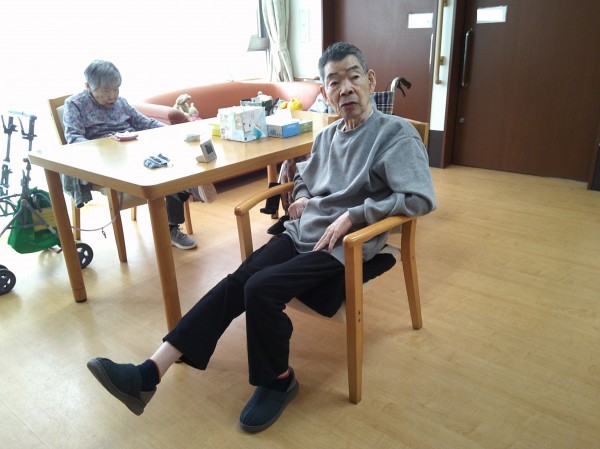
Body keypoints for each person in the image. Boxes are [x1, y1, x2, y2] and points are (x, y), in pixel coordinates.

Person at [87, 43, 437, 432]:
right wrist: (301, 196)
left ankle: (278, 381)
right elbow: (306, 178)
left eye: (353, 77)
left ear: (370, 80)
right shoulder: (327, 137)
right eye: (334, 82)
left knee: (260, 289)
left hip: (343, 245)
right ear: (325, 91)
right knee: (237, 281)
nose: (346, 89)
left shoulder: (395, 134)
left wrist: (355, 215)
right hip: (302, 231)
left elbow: (420, 198)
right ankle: (150, 372)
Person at [62, 59, 217, 250]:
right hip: (107, 160)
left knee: (166, 157)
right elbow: (74, 139)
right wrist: (106, 146)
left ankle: (181, 203)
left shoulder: (121, 102)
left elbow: (144, 122)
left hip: (134, 149)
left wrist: (171, 132)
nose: (112, 96)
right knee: (159, 166)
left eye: (116, 89)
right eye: (106, 91)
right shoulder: (74, 104)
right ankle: (188, 189)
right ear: (88, 87)